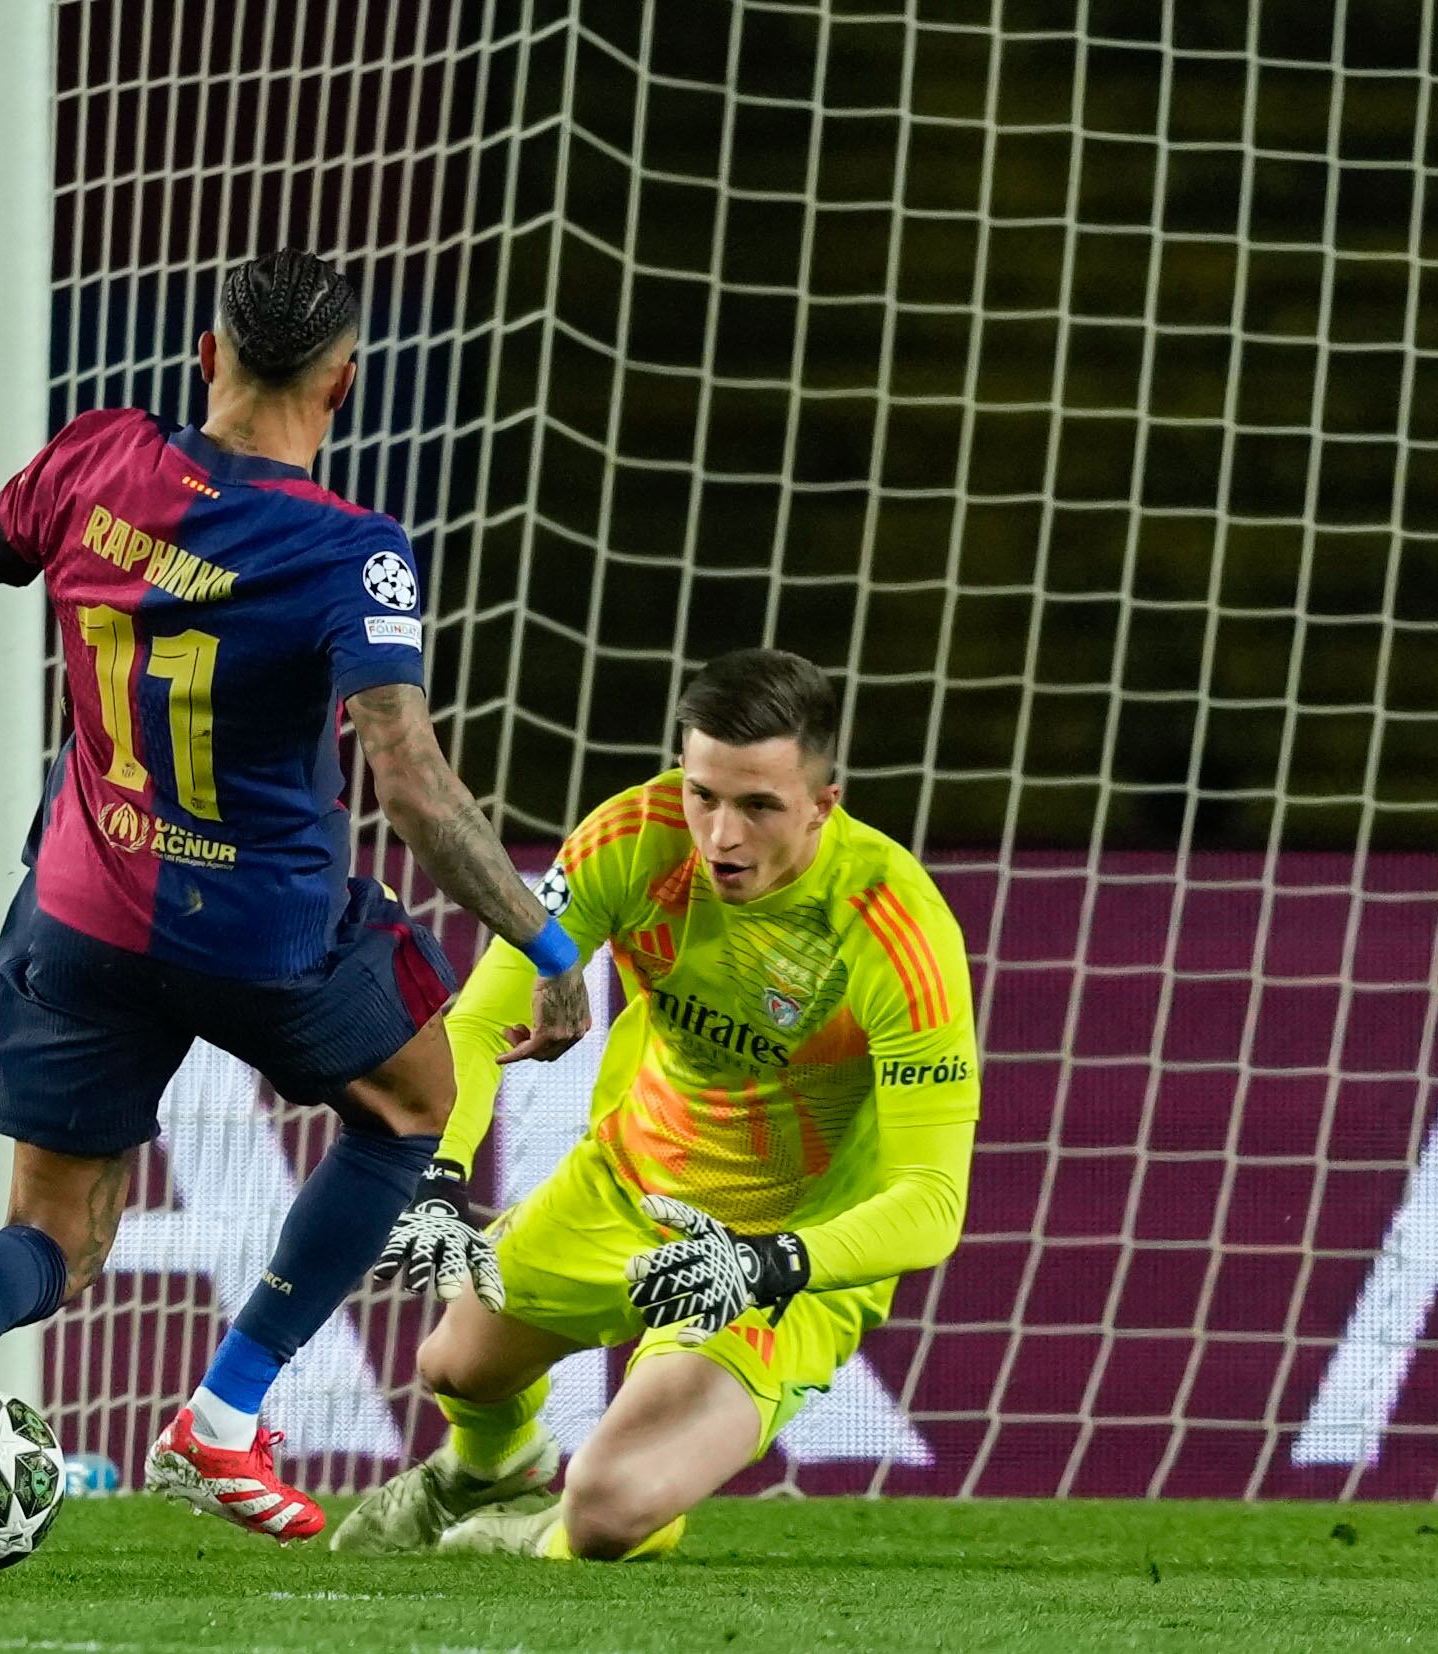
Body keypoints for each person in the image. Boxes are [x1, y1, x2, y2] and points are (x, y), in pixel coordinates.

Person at [0, 250, 593, 1542]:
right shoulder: (354, 551)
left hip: (80, 915)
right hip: (263, 936)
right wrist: (548, 944)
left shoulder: (91, 456)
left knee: (55, 1236)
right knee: (413, 1108)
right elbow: (410, 780)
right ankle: (222, 1420)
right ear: (344, 381)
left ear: (205, 358)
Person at [335, 648, 978, 1561]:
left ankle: (531, 1537)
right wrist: (437, 1182)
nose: (721, 834)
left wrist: (763, 1268)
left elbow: (931, 1204)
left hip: (782, 1244)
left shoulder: (891, 928)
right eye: (703, 793)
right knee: (453, 1366)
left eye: (759, 806)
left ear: (823, 806)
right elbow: (477, 1024)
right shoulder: (632, 838)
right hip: (636, 1179)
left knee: (606, 1513)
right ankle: (489, 1467)